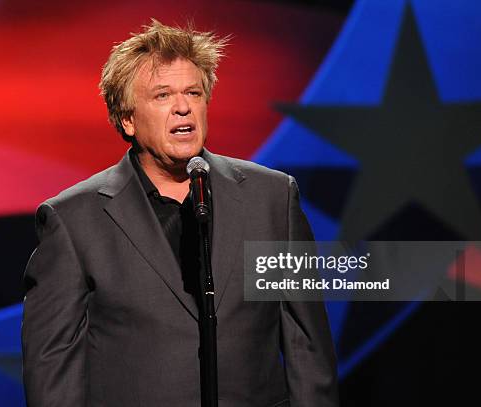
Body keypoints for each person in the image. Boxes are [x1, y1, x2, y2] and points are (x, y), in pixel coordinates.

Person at [21, 20, 338, 407]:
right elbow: (51, 368)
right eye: (162, 95)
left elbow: (307, 344)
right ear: (128, 119)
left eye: (193, 92)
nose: (183, 106)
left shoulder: (270, 197)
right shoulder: (73, 220)